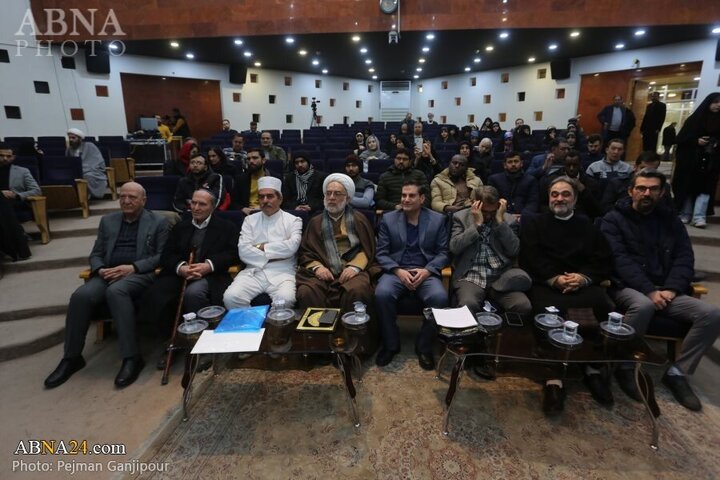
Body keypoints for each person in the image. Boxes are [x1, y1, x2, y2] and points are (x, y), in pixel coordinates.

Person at [600, 169, 720, 411]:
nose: (647, 193)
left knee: (711, 315)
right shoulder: (613, 220)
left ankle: (678, 373)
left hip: (668, 289)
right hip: (628, 286)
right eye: (642, 188)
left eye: (653, 189)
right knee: (642, 305)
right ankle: (625, 366)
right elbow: (619, 261)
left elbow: (684, 258)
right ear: (631, 190)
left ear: (662, 193)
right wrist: (649, 291)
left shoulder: (671, 221)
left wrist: (672, 289)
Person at [44, 182, 169, 389]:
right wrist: (100, 268)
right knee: (80, 296)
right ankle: (72, 357)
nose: (126, 201)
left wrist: (132, 267)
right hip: (107, 273)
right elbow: (96, 253)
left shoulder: (158, 222)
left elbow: (161, 256)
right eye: (123, 196)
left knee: (116, 291)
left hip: (138, 273)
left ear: (143, 200)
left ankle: (131, 357)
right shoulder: (108, 221)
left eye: (132, 197)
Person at [520, 176, 614, 414]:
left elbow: (602, 260)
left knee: (602, 304)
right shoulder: (535, 223)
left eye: (565, 194)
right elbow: (530, 257)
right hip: (547, 284)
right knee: (545, 311)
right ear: (548, 198)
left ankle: (592, 367)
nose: (559, 198)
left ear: (575, 198)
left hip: (582, 285)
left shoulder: (588, 227)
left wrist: (583, 278)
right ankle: (554, 378)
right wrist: (556, 278)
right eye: (554, 194)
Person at [139, 189, 240, 368]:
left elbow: (233, 254)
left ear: (213, 206)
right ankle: (171, 342)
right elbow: (167, 255)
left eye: (202, 204)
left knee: (193, 293)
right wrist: (181, 268)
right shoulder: (181, 226)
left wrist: (208, 265)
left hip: (210, 275)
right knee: (156, 295)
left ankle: (202, 343)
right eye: (193, 203)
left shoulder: (226, 227)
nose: (196, 207)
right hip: (181, 273)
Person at [374, 181, 449, 370]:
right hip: (397, 270)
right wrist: (398, 271)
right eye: (403, 195)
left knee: (439, 297)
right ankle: (391, 345)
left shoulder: (437, 219)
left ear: (422, 199)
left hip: (426, 271)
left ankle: (423, 347)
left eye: (411, 196)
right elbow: (381, 253)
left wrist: (427, 271)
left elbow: (443, 253)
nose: (406, 199)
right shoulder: (389, 219)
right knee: (381, 294)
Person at [295, 174, 378, 312]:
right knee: (306, 292)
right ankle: (317, 333)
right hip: (322, 270)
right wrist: (317, 268)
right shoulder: (315, 222)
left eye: (337, 193)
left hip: (352, 270)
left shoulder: (359, 219)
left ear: (348, 198)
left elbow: (368, 249)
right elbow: (306, 252)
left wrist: (354, 268)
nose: (332, 197)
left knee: (358, 291)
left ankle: (350, 332)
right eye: (328, 193)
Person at [449, 185, 531, 316]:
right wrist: (477, 225)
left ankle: (504, 336)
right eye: (484, 211)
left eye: (492, 212)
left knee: (522, 305)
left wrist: (500, 222)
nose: (488, 216)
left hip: (501, 276)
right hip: (471, 275)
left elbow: (514, 250)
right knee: (468, 304)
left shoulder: (508, 219)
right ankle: (470, 336)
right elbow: (454, 247)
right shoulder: (460, 217)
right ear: (474, 204)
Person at [223, 177, 302, 309]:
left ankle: (273, 330)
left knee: (286, 300)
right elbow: (243, 252)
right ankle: (251, 327)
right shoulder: (249, 221)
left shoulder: (293, 220)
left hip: (283, 272)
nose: (265, 201)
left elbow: (291, 247)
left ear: (280, 199)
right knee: (231, 298)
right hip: (253, 271)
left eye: (270, 196)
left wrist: (259, 247)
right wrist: (278, 250)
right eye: (261, 197)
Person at [672, 92, 720, 228]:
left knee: (705, 189)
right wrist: (696, 141)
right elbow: (681, 139)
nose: (718, 105)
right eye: (715, 102)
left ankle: (699, 216)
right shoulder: (694, 120)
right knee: (688, 187)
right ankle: (685, 214)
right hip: (692, 161)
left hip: (710, 162)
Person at [0, 143, 41, 260]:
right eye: (1, 155)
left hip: (15, 203)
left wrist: (17, 195)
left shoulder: (22, 171)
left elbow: (36, 190)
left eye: (8, 156)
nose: (5, 158)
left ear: (13, 157)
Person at [539, 150, 603, 219]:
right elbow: (542, 206)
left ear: (580, 165)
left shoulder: (591, 183)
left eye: (575, 165)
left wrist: (584, 191)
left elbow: (598, 211)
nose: (571, 168)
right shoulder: (551, 180)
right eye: (568, 165)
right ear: (564, 164)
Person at [489, 151, 539, 217]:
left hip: (524, 217)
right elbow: (492, 201)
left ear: (521, 163)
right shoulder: (494, 179)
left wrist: (523, 216)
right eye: (510, 162)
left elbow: (533, 202)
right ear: (504, 165)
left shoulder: (531, 180)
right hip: (501, 216)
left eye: (516, 161)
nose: (513, 164)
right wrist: (507, 216)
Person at [66, 128, 108, 199]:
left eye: (73, 138)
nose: (71, 140)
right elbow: (67, 163)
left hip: (92, 171)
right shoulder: (69, 150)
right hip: (76, 171)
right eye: (70, 138)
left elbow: (98, 161)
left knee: (87, 176)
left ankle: (84, 197)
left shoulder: (90, 146)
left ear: (80, 138)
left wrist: (83, 168)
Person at [233, 147, 269, 214]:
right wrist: (243, 208)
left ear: (263, 160)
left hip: (267, 211)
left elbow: (281, 200)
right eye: (248, 159)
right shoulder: (240, 179)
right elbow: (233, 202)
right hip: (247, 213)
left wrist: (262, 207)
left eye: (255, 158)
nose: (251, 161)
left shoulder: (274, 177)